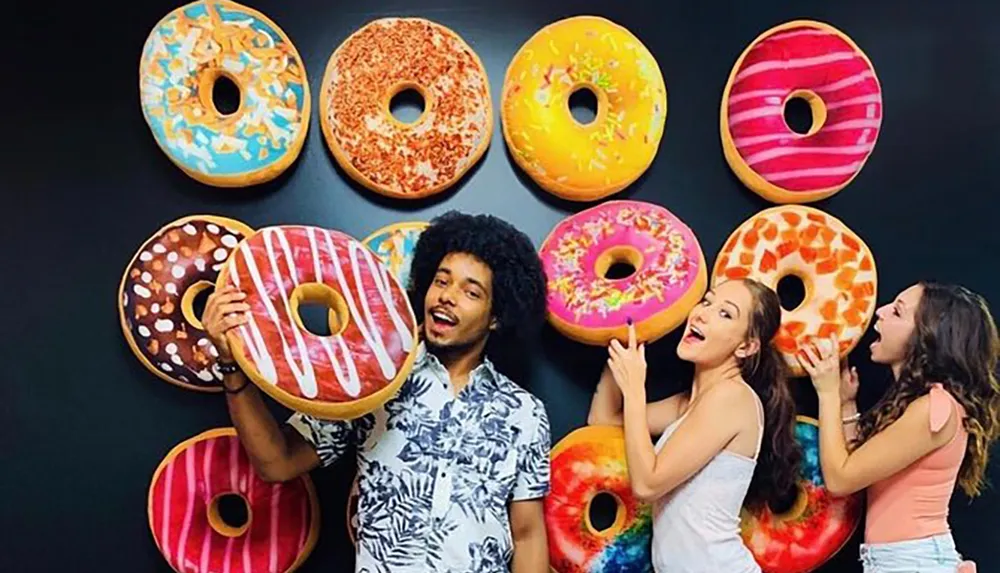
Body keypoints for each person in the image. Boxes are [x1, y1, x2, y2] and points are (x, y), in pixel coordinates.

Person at [201, 211, 552, 573]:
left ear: (496, 316)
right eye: (441, 281)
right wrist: (231, 365)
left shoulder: (524, 413)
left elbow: (527, 534)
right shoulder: (374, 378)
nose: (447, 297)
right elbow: (277, 462)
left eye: (470, 292)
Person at [588, 278, 801, 572]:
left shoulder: (732, 397)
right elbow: (603, 420)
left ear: (746, 346)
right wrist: (626, 339)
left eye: (725, 313)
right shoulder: (688, 404)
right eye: (707, 302)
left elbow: (647, 483)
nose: (702, 313)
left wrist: (636, 390)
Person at [797, 282, 1000, 573]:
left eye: (897, 311)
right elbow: (860, 468)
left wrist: (826, 394)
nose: (879, 312)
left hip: (914, 562)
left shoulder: (934, 407)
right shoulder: (925, 403)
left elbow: (840, 479)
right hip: (904, 560)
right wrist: (845, 405)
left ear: (926, 335)